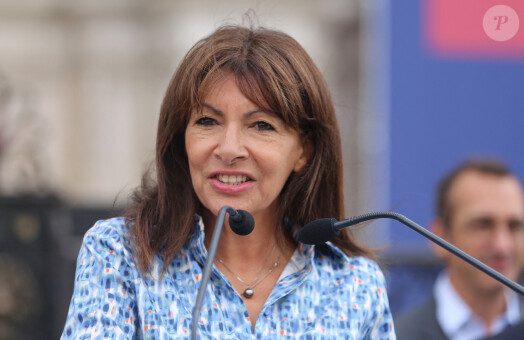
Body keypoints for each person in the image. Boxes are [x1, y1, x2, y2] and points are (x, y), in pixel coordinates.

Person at [61, 24, 395, 339]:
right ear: (181, 140)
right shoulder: (121, 255)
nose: (230, 149)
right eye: (207, 121)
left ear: (303, 151)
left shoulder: (354, 286)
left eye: (261, 125)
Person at [395, 159, 524, 339]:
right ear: (439, 237)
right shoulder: (396, 336)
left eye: (515, 226)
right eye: (482, 225)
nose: (502, 246)